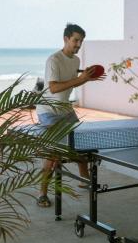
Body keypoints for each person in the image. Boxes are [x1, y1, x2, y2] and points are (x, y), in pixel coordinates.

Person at [36, 23, 104, 207]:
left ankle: (86, 180)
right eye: (75, 40)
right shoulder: (54, 60)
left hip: (65, 109)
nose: (78, 45)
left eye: (81, 41)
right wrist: (80, 78)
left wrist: (85, 79)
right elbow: (54, 87)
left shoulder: (75, 61)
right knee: (53, 155)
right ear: (66, 39)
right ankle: (42, 193)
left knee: (79, 145)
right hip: (48, 111)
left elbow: (71, 84)